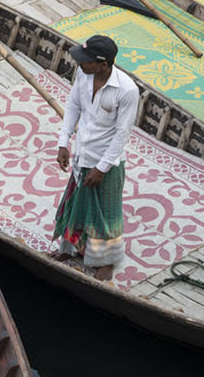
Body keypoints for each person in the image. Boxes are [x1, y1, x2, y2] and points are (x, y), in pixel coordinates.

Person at [51, 35, 139, 281]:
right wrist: (63, 143)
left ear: (104, 64)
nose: (81, 64)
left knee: (105, 213)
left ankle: (106, 261)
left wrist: (101, 168)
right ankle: (70, 248)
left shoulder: (127, 91)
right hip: (82, 152)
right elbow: (73, 106)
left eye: (87, 61)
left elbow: (122, 134)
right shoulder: (83, 75)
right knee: (76, 203)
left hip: (107, 160)